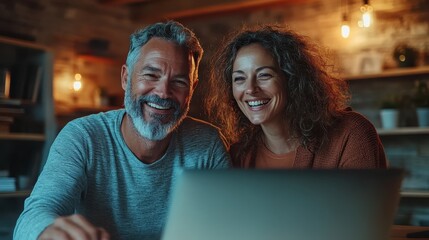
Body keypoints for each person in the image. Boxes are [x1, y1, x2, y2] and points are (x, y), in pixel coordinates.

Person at [14, 21, 231, 240]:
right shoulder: (83, 137)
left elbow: (231, 223)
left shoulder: (208, 144)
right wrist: (48, 232)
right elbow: (34, 215)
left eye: (179, 81)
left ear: (192, 89)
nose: (164, 93)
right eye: (151, 75)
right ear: (126, 79)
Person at [206, 24, 386, 169]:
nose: (250, 89)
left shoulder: (350, 134)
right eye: (239, 79)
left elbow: (364, 213)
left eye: (264, 75)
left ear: (292, 78)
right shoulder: (239, 156)